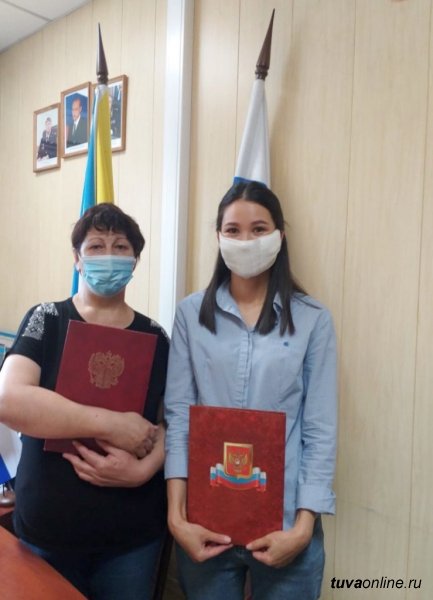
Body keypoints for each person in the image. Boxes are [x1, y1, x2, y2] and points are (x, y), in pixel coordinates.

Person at [164, 181, 337, 600]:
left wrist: (302, 529)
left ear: (280, 236)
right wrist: (176, 517)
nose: (246, 241)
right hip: (205, 521)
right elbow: (179, 417)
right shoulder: (190, 314)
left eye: (259, 229)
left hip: (286, 525)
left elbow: (319, 429)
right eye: (233, 230)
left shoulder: (313, 319)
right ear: (219, 237)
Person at [0, 203, 169, 600]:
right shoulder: (47, 319)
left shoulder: (156, 337)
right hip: (48, 531)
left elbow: (174, 422)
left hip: (132, 538)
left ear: (135, 260)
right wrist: (112, 424)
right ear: (77, 259)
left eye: (120, 246)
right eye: (95, 246)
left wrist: (144, 469)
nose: (108, 255)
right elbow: (9, 399)